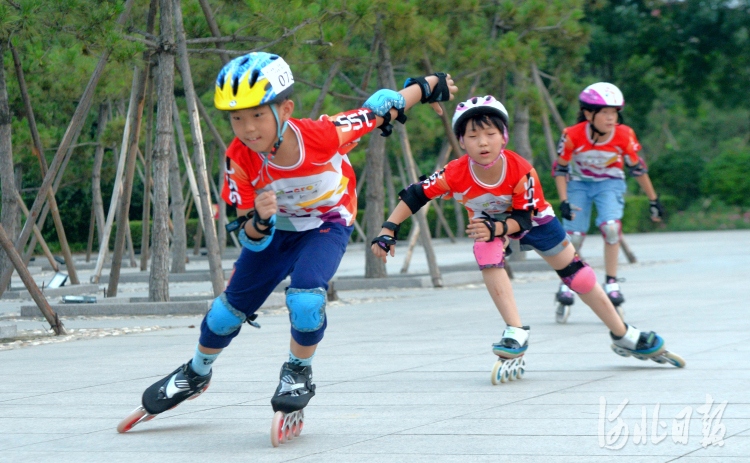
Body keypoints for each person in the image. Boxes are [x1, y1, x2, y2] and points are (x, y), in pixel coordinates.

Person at [118, 52, 458, 443]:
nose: (247, 128)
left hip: (327, 224)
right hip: (278, 230)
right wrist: (260, 220)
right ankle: (196, 373)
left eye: (258, 115)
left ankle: (298, 371)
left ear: (286, 109)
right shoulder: (239, 159)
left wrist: (430, 85)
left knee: (306, 300)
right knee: (225, 312)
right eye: (236, 118)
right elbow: (247, 236)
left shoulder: (324, 134)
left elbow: (383, 108)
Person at [371, 96, 684, 385]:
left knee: (580, 277)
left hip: (535, 221)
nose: (482, 143)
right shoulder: (454, 172)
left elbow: (522, 219)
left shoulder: (520, 169)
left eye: (490, 134)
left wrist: (494, 229)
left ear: (504, 136)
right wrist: (388, 229)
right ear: (461, 141)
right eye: (472, 136)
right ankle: (515, 331)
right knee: (485, 249)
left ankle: (623, 333)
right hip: (491, 227)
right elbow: (415, 195)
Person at [553, 82, 664, 318]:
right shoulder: (571, 135)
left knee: (611, 228)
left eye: (614, 112)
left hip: (610, 183)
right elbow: (560, 169)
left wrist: (653, 200)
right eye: (605, 112)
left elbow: (638, 168)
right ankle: (567, 280)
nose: (611, 118)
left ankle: (611, 283)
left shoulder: (624, 135)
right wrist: (563, 200)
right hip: (579, 185)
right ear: (588, 113)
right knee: (573, 235)